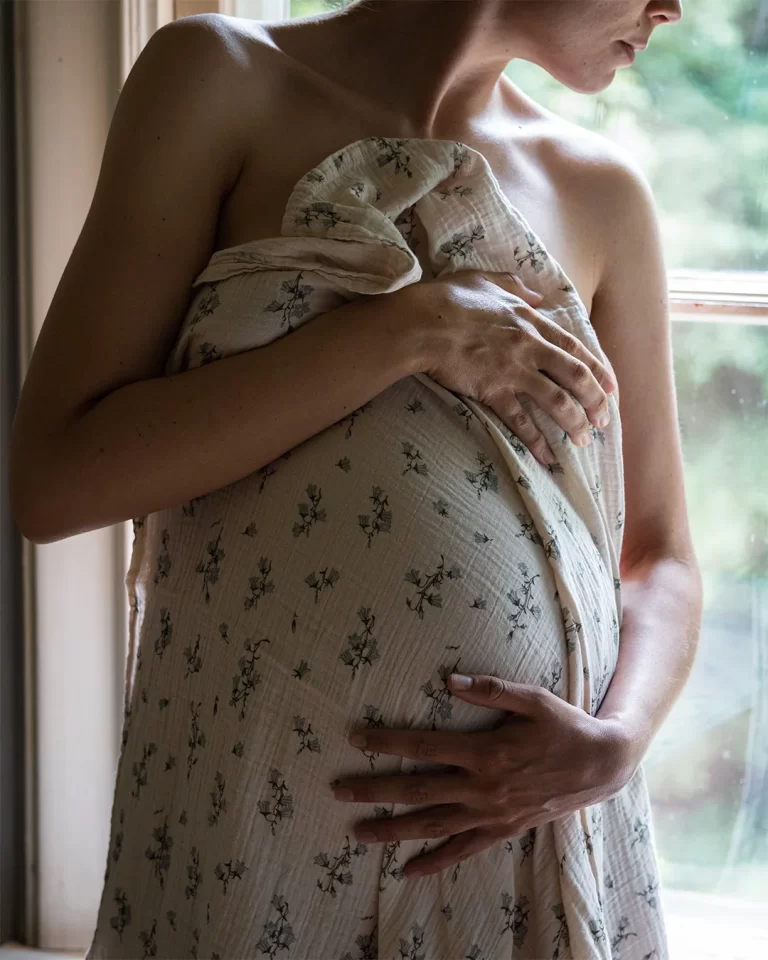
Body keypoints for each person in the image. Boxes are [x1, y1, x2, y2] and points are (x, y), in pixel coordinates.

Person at [9, 1, 703, 958]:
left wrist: (615, 746)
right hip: (253, 822)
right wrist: (410, 330)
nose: (671, 7)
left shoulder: (602, 192)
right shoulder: (218, 78)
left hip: (526, 849)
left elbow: (660, 555)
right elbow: (53, 482)